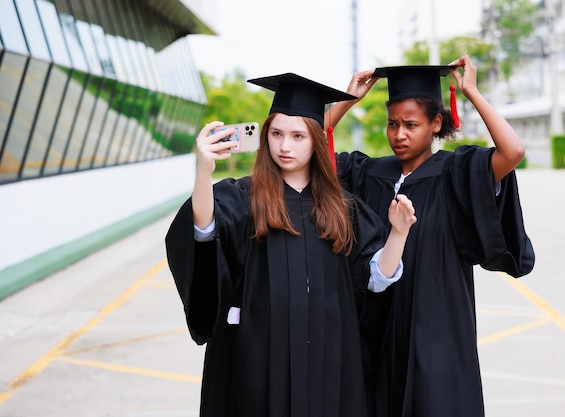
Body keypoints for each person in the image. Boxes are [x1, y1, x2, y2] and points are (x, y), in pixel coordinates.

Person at [165, 73, 417, 417]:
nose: (285, 146)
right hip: (258, 357)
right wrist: (204, 172)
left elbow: (373, 279)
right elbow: (206, 232)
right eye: (276, 134)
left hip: (328, 356)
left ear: (315, 140)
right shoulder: (244, 196)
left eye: (298, 136)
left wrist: (398, 234)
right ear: (265, 136)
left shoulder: (343, 207)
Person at [325, 55, 536, 417]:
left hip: (437, 329)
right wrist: (347, 100)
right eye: (393, 124)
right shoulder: (369, 173)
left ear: (436, 123)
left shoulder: (457, 172)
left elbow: (513, 151)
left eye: (411, 124)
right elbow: (308, 151)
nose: (399, 135)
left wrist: (471, 91)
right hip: (379, 330)